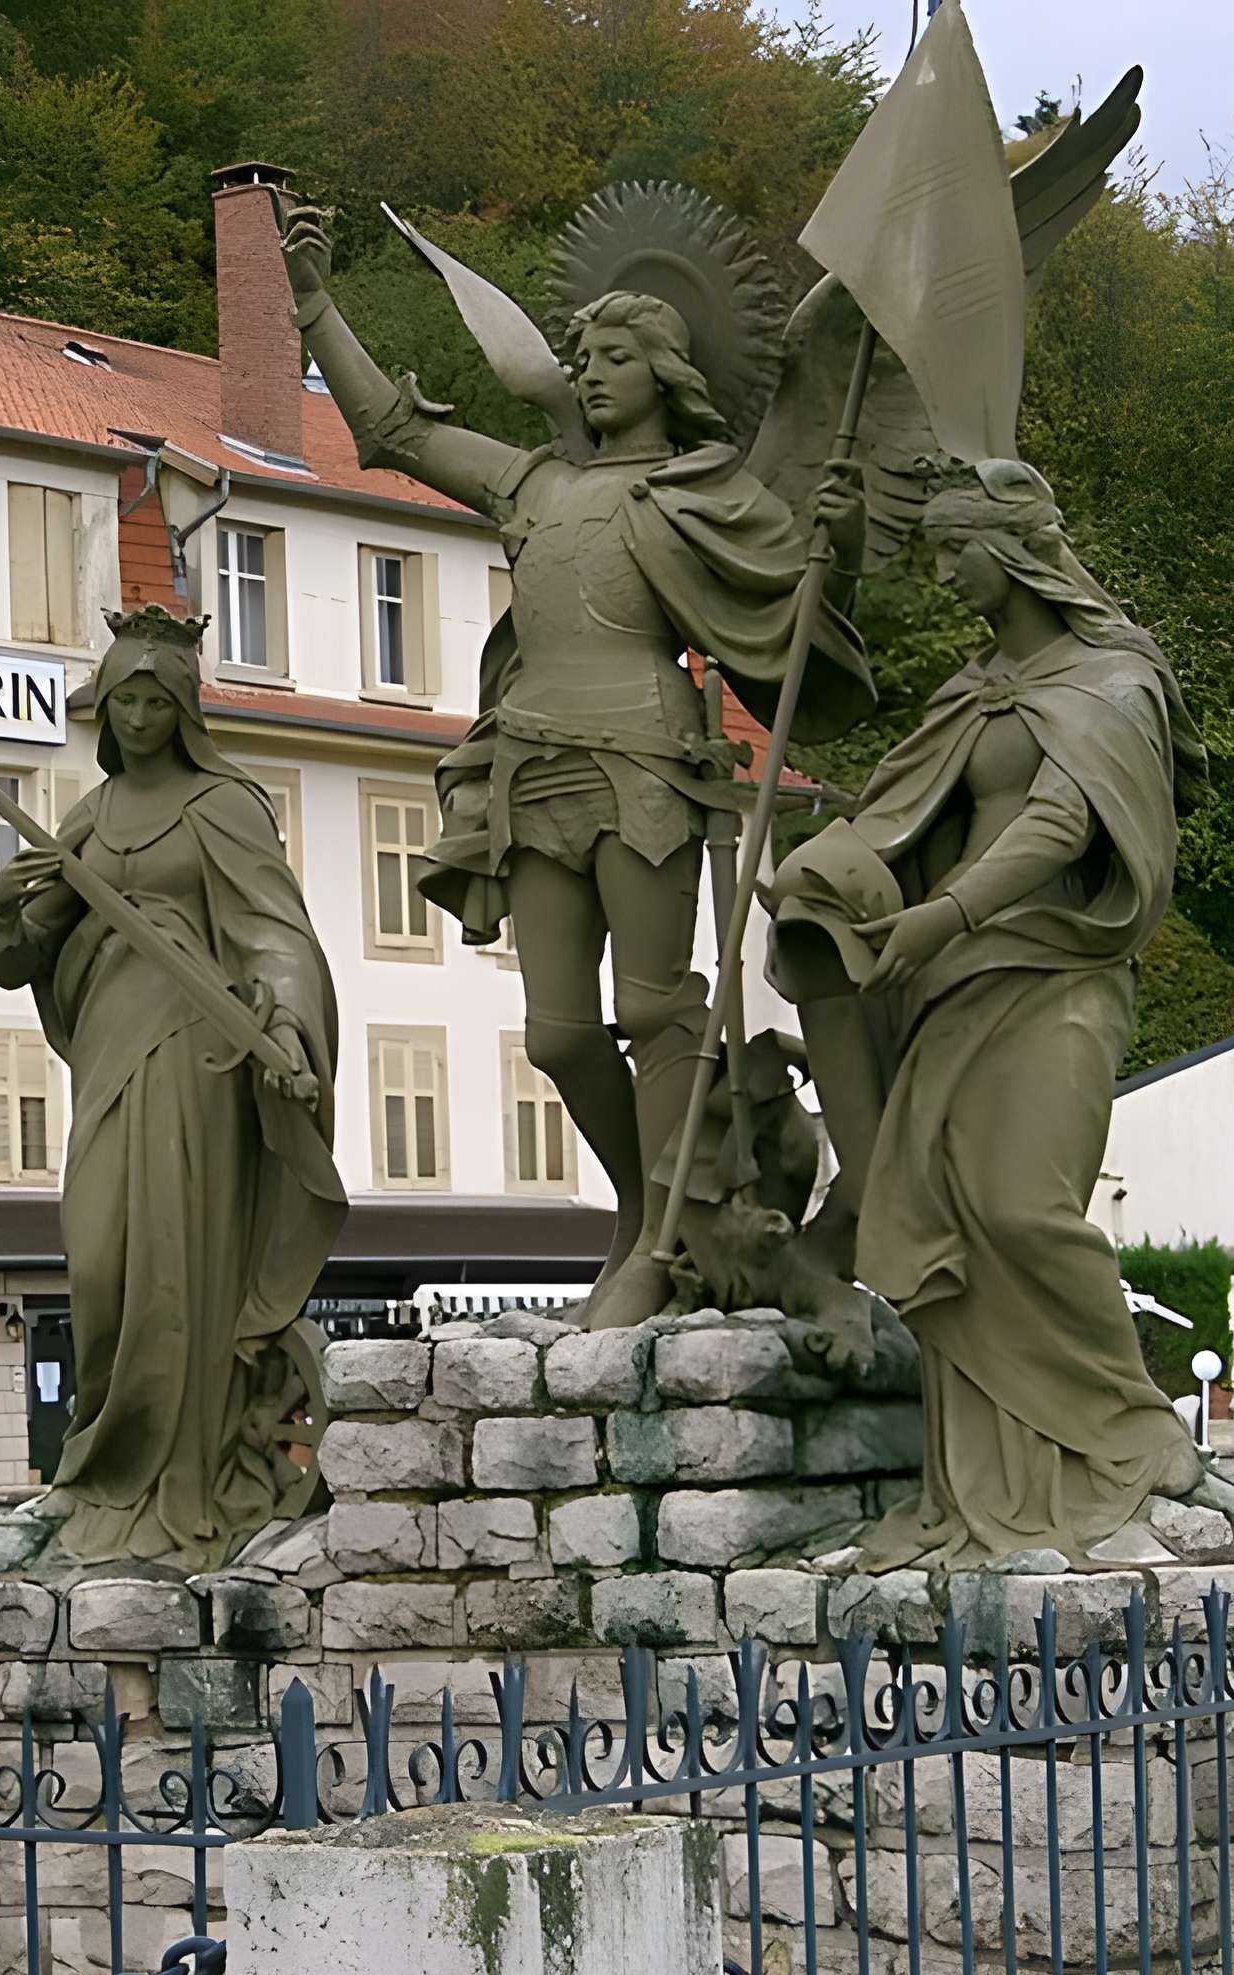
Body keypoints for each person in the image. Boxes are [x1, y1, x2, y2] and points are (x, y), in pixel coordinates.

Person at [281, 203, 874, 1325]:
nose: (589, 377)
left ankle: (661, 1243)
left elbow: (797, 606)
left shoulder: (705, 490)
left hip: (643, 760)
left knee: (655, 1012)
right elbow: (395, 436)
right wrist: (314, 308)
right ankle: (640, 1211)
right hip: (531, 766)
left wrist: (833, 547)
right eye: (581, 360)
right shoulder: (533, 485)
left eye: (612, 360)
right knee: (554, 1032)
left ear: (663, 371)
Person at [765, 461, 1233, 1568]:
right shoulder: (972, 691)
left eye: (951, 549)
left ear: (1007, 550)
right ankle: (984, 1498)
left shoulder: (1113, 682)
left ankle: (1128, 1437)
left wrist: (941, 913)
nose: (940, 571)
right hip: (944, 979)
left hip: (1053, 971)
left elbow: (1062, 826)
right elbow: (894, 814)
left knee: (1021, 1206)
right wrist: (822, 877)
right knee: (951, 1223)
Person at [0, 608, 346, 1572]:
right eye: (122, 699)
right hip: (109, 1050)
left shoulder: (223, 806)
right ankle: (101, 1473)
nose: (137, 715)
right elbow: (29, 950)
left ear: (181, 707)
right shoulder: (89, 819)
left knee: (181, 1267)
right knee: (100, 1262)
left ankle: (185, 1481)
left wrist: (284, 1024)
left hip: (199, 1060)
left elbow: (278, 932)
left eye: (154, 698)